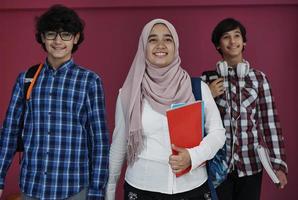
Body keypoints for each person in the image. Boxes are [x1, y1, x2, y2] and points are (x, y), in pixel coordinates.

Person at [105, 18, 226, 200]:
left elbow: (218, 133)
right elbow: (119, 145)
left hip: (193, 187)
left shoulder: (197, 88)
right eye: (153, 39)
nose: (160, 45)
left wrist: (192, 156)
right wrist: (109, 191)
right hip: (142, 189)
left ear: (175, 45)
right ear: (143, 46)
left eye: (167, 39)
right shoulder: (128, 93)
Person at [0, 5, 109, 200]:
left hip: (73, 189)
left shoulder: (90, 82)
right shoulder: (26, 79)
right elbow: (9, 133)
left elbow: (99, 142)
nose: (58, 41)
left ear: (75, 38)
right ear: (42, 37)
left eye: (65, 34)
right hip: (32, 188)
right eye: (51, 34)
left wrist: (96, 191)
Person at [203, 18, 288, 200]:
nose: (232, 41)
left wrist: (278, 165)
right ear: (218, 45)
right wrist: (207, 94)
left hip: (251, 165)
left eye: (237, 36)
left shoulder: (259, 79)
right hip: (218, 167)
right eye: (226, 37)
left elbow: (270, 123)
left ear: (244, 42)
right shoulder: (207, 80)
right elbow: (195, 123)